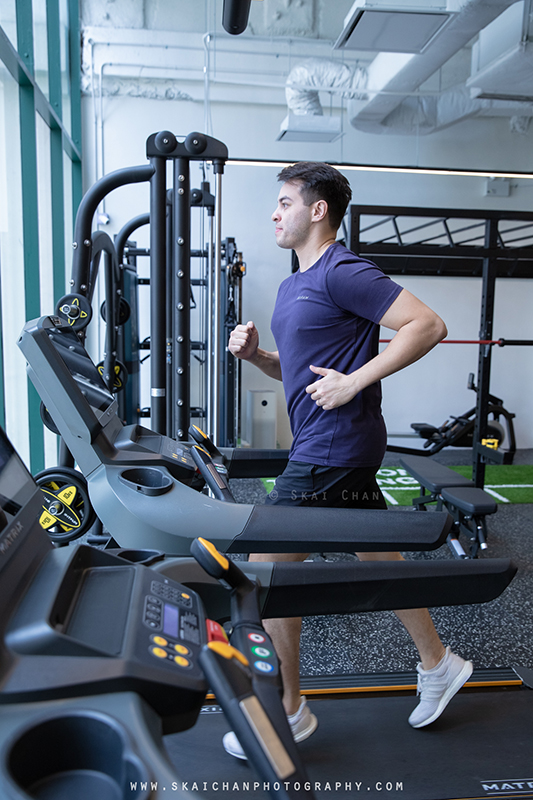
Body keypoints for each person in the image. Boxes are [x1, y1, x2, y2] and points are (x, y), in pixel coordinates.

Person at [223, 162, 473, 759]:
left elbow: (428, 324)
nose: (274, 213)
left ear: (318, 210)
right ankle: (438, 663)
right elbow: (302, 370)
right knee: (376, 556)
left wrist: (354, 382)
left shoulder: (344, 270)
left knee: (267, 573)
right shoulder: (293, 284)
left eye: (285, 202)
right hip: (335, 443)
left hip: (332, 447)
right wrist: (259, 357)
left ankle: (288, 708)